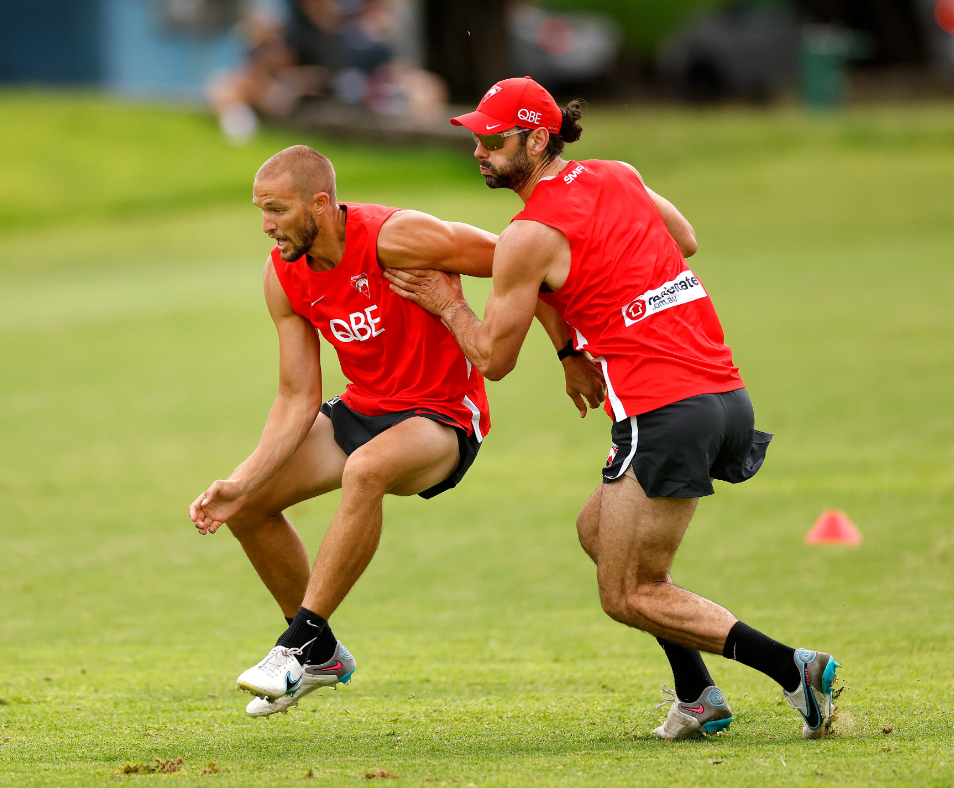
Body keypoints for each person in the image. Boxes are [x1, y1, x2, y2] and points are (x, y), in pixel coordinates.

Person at [384, 77, 841, 741]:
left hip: (663, 411)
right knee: (596, 533)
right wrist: (583, 331)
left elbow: (491, 358)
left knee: (627, 592)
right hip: (723, 398)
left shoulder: (526, 235)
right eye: (475, 138)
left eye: (495, 139)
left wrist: (444, 300)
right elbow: (681, 238)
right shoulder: (617, 174)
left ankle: (794, 670)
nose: (480, 151)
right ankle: (698, 697)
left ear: (537, 138)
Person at [189, 145, 494, 717]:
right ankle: (322, 654)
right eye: (260, 210)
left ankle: (297, 644)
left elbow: (525, 260)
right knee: (249, 506)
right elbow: (297, 395)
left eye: (277, 210)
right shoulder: (283, 275)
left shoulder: (397, 237)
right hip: (364, 409)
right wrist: (242, 480)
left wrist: (571, 347)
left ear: (321, 204)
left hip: (443, 414)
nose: (266, 226)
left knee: (367, 468)